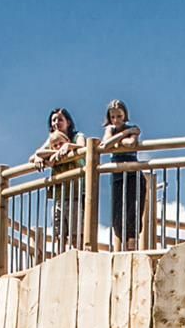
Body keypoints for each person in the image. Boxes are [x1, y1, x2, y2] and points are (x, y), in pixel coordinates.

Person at [28, 107, 85, 245]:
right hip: (60, 193)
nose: (56, 123)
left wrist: (68, 146)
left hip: (76, 191)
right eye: (53, 120)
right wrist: (42, 157)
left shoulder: (77, 136)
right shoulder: (52, 140)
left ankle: (78, 254)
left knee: (76, 231)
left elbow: (84, 148)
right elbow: (35, 155)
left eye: (60, 119)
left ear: (68, 122)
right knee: (59, 231)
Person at [98, 100, 148, 246]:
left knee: (132, 216)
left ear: (125, 115)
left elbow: (130, 144)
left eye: (119, 116)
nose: (116, 120)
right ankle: (122, 250)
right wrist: (125, 134)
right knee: (118, 219)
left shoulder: (134, 128)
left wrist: (117, 142)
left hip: (133, 175)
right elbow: (105, 144)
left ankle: (132, 250)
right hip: (118, 177)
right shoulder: (112, 129)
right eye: (113, 117)